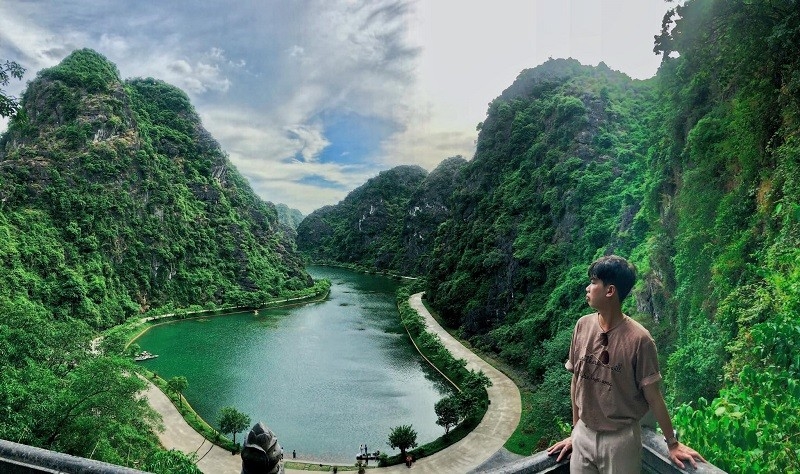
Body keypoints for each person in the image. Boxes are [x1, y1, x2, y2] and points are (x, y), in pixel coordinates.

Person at [547, 255, 705, 473]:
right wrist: (575, 431)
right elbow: (576, 380)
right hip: (583, 435)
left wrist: (672, 443)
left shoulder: (640, 340)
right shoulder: (582, 326)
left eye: (593, 282)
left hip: (621, 441)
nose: (587, 288)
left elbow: (653, 395)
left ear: (610, 291)